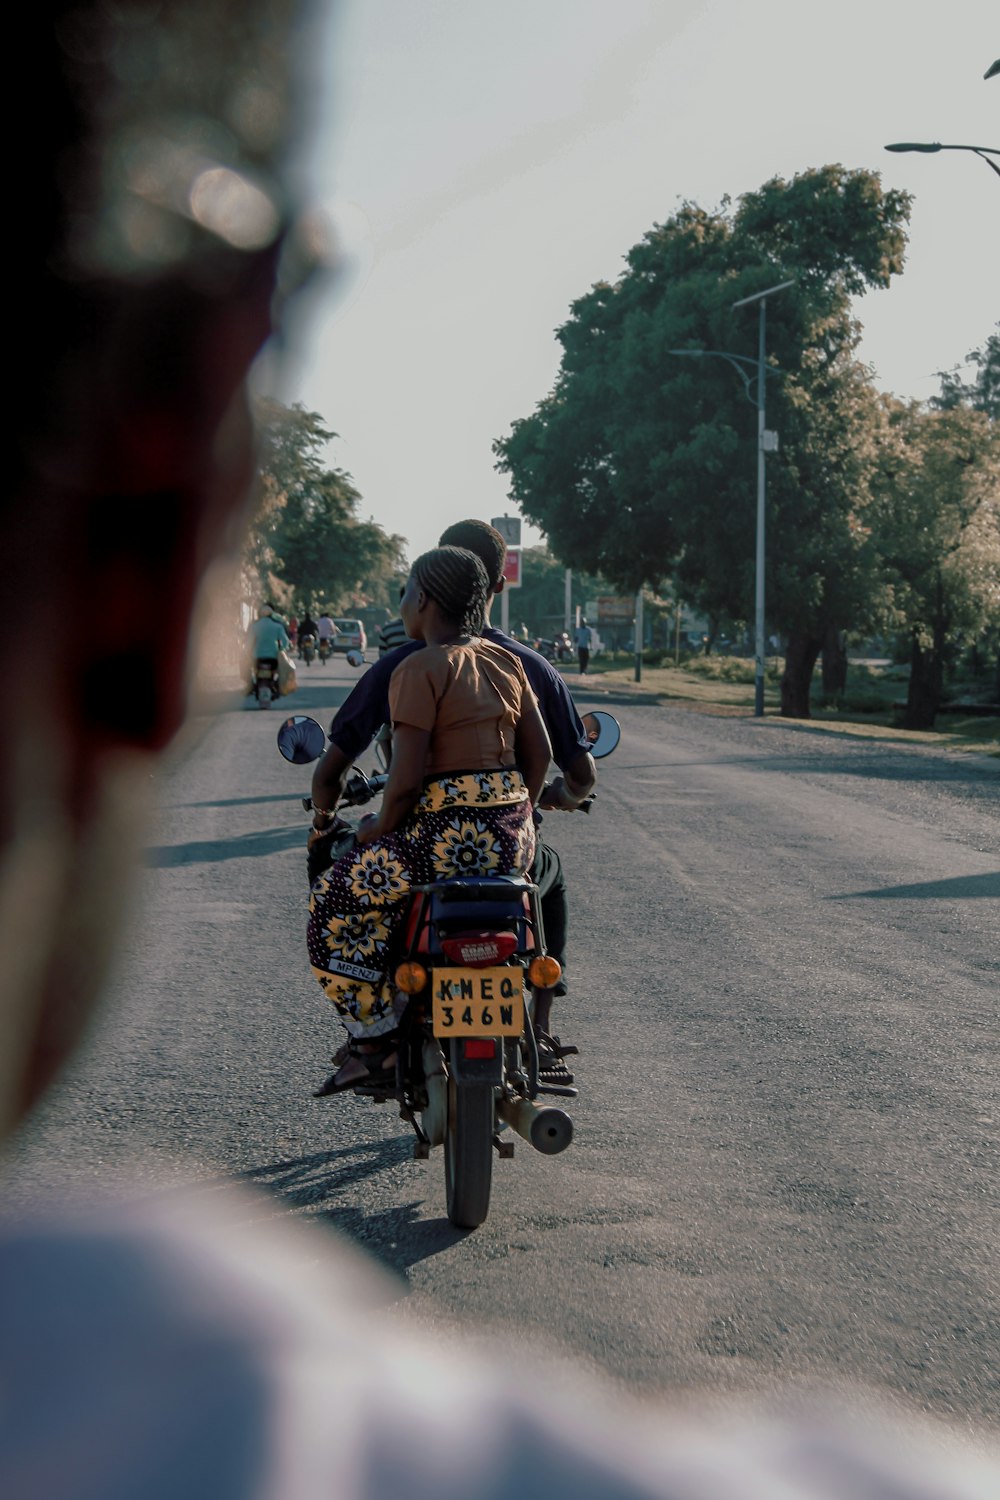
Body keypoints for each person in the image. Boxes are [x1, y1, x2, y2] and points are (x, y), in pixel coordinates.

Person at [309, 519, 597, 1076]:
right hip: (511, 843)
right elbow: (539, 756)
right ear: (492, 590)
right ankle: (539, 1024)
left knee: (332, 901)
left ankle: (375, 1040)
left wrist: (376, 826)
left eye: (405, 592)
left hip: (436, 845)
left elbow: (408, 781)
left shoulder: (415, 668)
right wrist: (522, 813)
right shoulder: (513, 664)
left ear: (421, 597)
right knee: (549, 875)